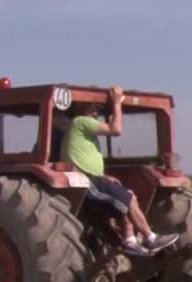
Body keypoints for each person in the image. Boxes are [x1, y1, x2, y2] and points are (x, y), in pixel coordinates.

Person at [60, 86, 178, 256]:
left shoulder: (82, 129)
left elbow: (81, 156)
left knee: (129, 196)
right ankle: (150, 238)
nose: (96, 113)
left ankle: (130, 241)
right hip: (87, 180)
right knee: (128, 198)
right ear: (83, 108)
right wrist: (116, 103)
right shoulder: (81, 121)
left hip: (95, 177)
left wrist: (105, 176)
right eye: (94, 108)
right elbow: (116, 130)